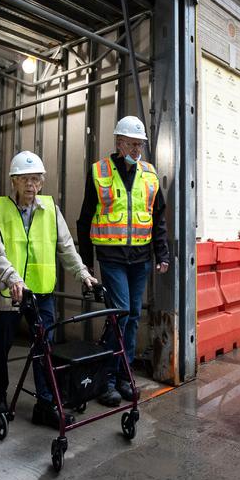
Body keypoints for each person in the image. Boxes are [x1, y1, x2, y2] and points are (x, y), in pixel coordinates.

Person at [0, 151, 96, 428]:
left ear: (42, 183)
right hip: (8, 294)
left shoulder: (49, 208)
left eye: (36, 180)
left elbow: (66, 247)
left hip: (40, 293)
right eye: (25, 179)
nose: (31, 185)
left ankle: (45, 404)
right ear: (13, 181)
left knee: (45, 347)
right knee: (1, 347)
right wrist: (11, 278)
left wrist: (82, 273)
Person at [77, 116, 170, 407]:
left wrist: (162, 253)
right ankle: (107, 380)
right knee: (122, 314)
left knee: (129, 317)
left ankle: (122, 375)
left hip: (140, 257)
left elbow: (158, 218)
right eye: (131, 143)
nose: (136, 149)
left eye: (140, 144)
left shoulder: (149, 174)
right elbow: (85, 218)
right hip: (112, 257)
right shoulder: (99, 171)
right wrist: (86, 262)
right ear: (118, 142)